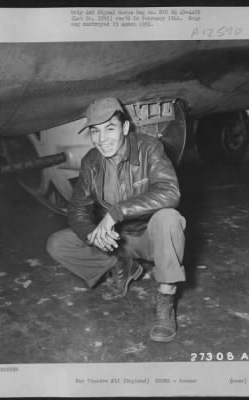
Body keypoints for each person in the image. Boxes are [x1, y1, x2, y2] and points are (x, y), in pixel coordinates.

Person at [47, 97, 186, 342]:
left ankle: (165, 299)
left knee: (169, 218)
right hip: (117, 242)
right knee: (58, 243)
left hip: (150, 238)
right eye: (95, 132)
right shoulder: (91, 160)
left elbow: (169, 192)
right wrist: (92, 233)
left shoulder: (149, 148)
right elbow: (77, 209)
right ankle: (121, 266)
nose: (102, 139)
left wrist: (116, 212)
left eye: (109, 129)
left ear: (124, 128)